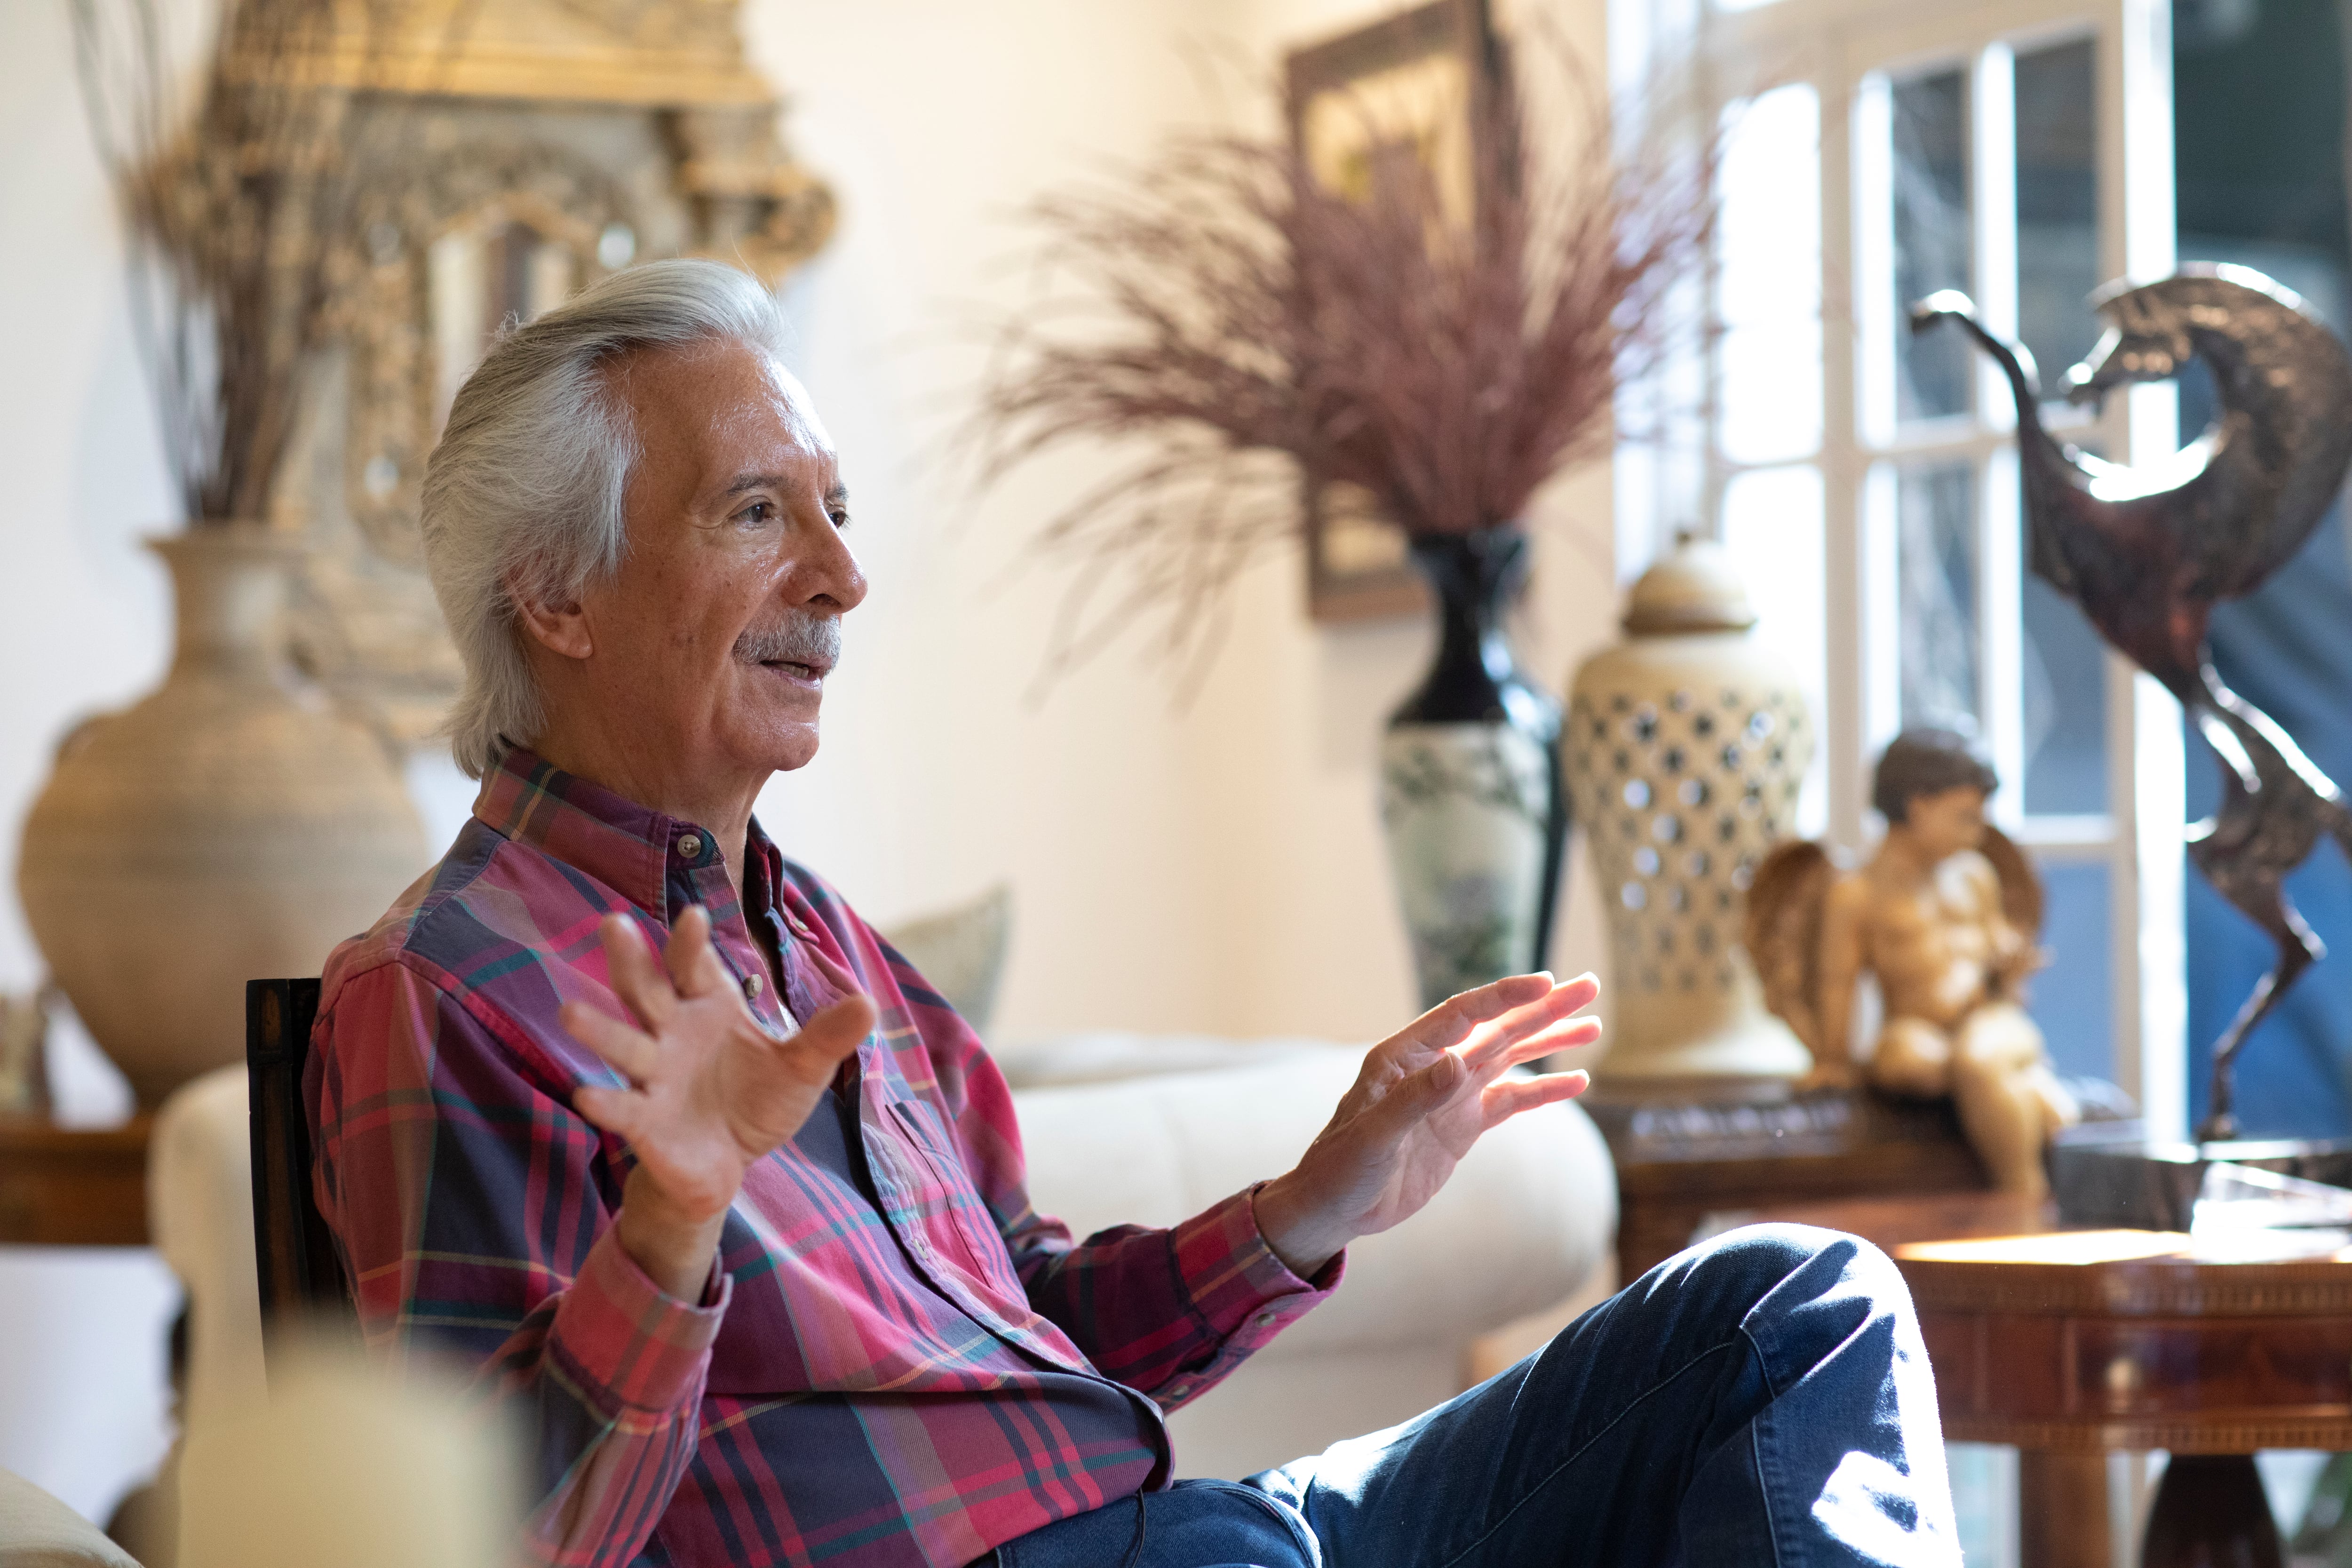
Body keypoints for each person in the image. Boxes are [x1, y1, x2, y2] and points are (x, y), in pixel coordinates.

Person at [309, 259, 1960, 1568]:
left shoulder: (825, 950)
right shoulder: (445, 989)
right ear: (558, 591)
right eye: (757, 513)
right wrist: (669, 1230)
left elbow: (1045, 1322)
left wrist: (1316, 1198)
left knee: (1789, 1309)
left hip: (1199, 1531)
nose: (840, 576)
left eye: (836, 512)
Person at [1799, 730, 2080, 1194]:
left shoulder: (1973, 876)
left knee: (1976, 1060)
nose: (1978, 833)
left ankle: (2022, 1194)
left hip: (1987, 1020)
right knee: (1903, 1057)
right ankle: (2028, 1090)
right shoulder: (1857, 893)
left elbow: (2002, 975)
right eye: (1964, 818)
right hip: (1918, 1026)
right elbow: (1836, 980)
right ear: (1918, 807)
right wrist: (1832, 1056)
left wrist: (2009, 972)